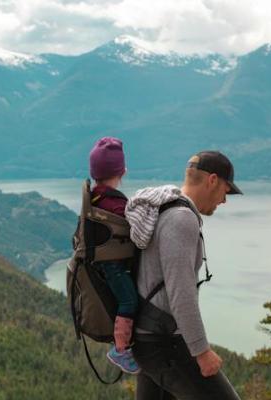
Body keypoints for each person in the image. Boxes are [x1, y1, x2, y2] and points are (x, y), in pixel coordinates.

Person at [125, 151, 243, 400]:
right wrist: (201, 351)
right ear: (212, 180)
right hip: (166, 343)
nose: (224, 201)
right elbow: (181, 294)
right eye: (226, 190)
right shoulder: (181, 219)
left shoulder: (163, 209)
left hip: (148, 337)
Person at [88, 136, 140, 374]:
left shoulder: (95, 197)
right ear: (123, 171)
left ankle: (121, 345)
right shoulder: (117, 205)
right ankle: (120, 349)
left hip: (102, 263)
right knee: (129, 300)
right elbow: (137, 232)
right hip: (114, 266)